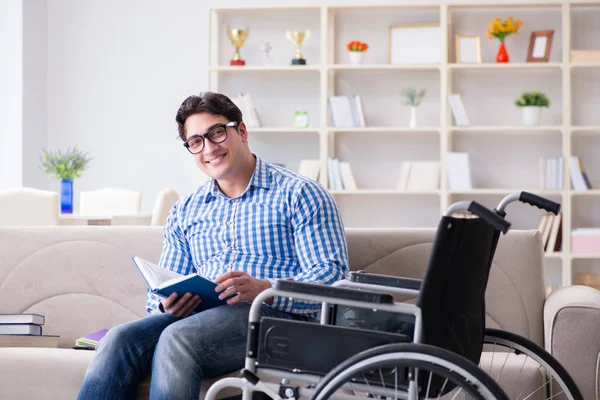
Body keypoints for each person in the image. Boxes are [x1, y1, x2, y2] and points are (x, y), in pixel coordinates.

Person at [77, 92, 349, 400]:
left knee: (178, 339)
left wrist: (264, 289)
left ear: (241, 131)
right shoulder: (186, 210)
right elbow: (163, 289)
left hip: (275, 322)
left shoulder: (300, 194)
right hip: (201, 319)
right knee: (118, 340)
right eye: (195, 142)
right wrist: (168, 303)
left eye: (216, 133)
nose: (208, 148)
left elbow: (333, 278)